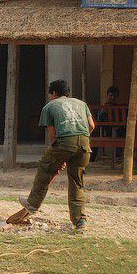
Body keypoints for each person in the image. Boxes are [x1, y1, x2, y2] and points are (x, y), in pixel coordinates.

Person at [19, 79, 95, 231]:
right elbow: (92, 126)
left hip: (65, 143)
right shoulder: (81, 104)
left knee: (45, 168)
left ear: (54, 93)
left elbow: (53, 136)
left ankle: (33, 204)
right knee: (76, 181)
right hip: (85, 144)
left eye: (51, 94)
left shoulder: (49, 107)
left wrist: (61, 155)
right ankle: (80, 221)